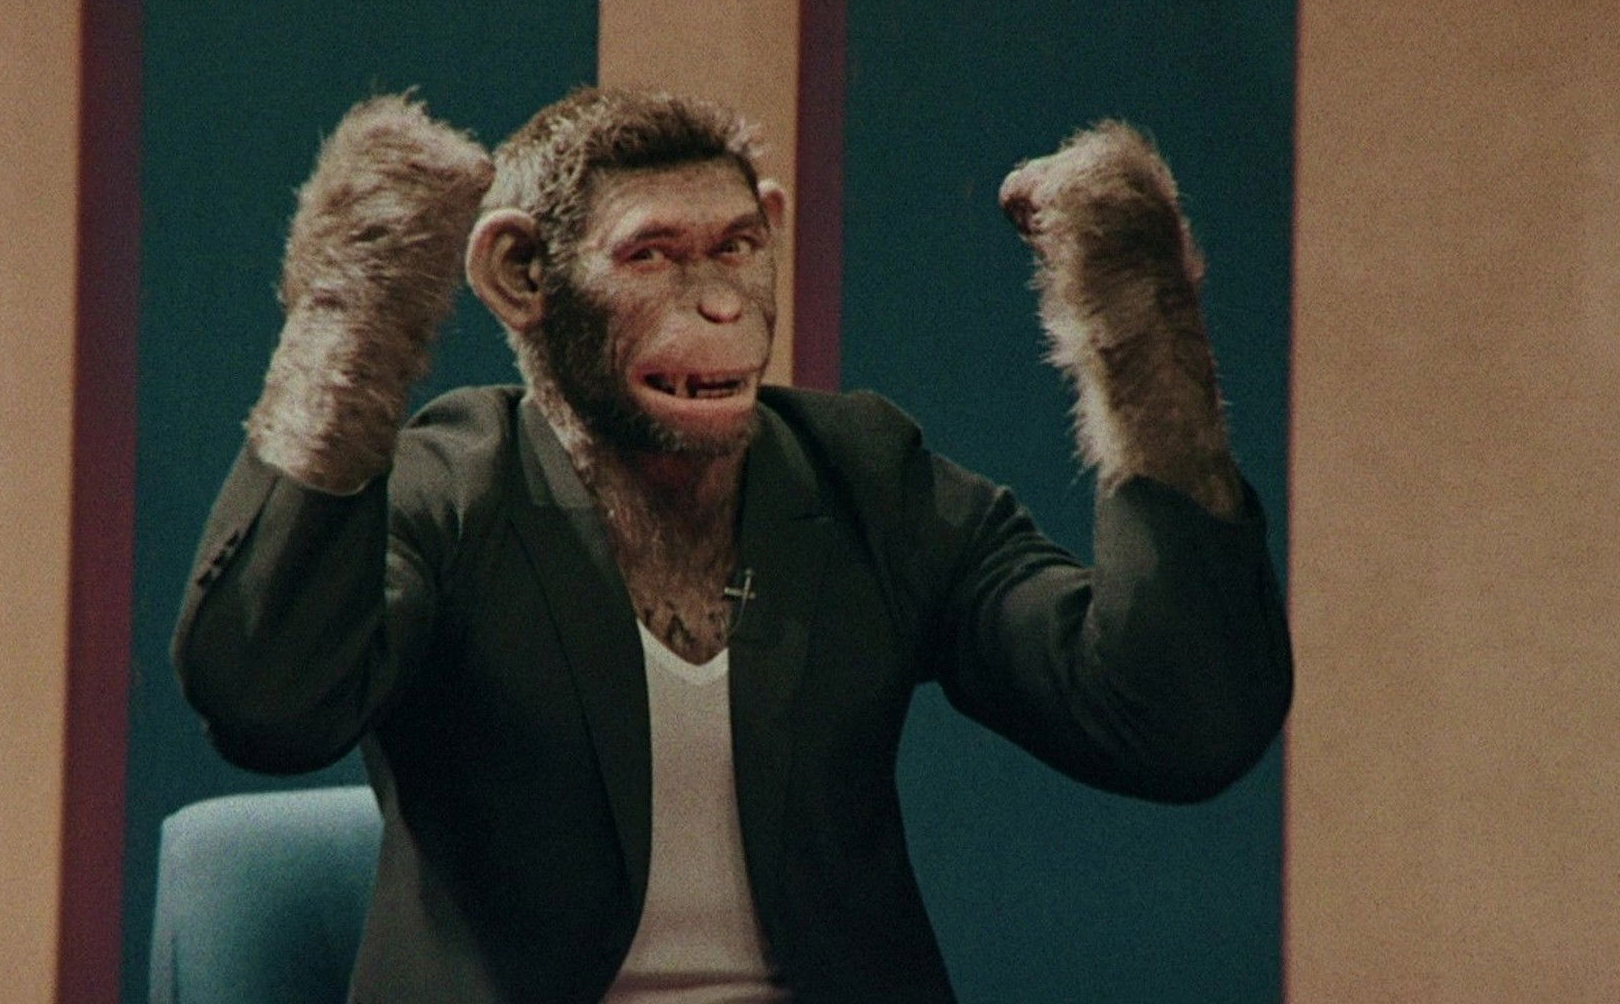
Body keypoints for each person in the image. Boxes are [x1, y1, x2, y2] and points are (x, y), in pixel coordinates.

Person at [173, 87, 1292, 1003]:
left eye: (738, 247)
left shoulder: (863, 478)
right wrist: (353, 318)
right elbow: (266, 703)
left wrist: (1139, 325)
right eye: (653, 256)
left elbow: (1178, 722)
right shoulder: (455, 485)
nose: (720, 306)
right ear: (521, 276)